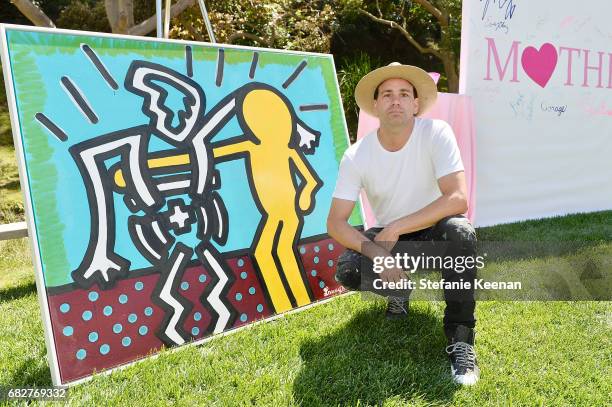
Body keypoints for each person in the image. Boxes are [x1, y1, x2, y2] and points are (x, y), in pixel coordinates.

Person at [326, 62, 480, 385]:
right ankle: (399, 288)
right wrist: (377, 251)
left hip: (431, 230)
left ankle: (461, 339)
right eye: (387, 94)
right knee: (348, 268)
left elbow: (458, 199)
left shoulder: (436, 133)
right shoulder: (357, 156)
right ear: (376, 105)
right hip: (390, 243)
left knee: (460, 232)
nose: (395, 101)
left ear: (415, 103)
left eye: (404, 94)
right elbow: (336, 223)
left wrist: (397, 226)